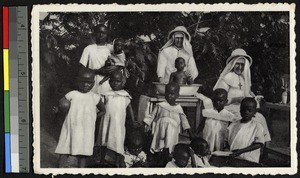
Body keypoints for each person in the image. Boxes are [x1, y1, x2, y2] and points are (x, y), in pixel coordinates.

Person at [213, 48, 271, 143]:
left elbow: (247, 93)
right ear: (232, 64)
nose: (240, 67)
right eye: (237, 64)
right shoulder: (226, 78)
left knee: (260, 118)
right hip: (229, 108)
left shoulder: (244, 79)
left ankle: (261, 145)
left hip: (244, 108)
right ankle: (241, 144)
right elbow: (219, 98)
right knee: (243, 118)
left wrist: (255, 98)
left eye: (242, 65)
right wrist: (236, 100)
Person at [54, 68, 106, 168]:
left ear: (93, 83)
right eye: (83, 82)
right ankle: (60, 169)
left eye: (89, 82)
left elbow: (103, 110)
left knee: (83, 153)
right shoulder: (72, 94)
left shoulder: (95, 97)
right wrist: (57, 109)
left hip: (86, 129)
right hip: (70, 126)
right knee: (65, 148)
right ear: (78, 81)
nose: (86, 85)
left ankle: (81, 171)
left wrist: (94, 117)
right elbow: (61, 105)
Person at [144, 82, 193, 156]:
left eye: (172, 94)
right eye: (167, 93)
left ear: (177, 95)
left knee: (170, 145)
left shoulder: (178, 108)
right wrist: (147, 124)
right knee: (159, 146)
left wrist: (190, 132)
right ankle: (158, 156)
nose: (169, 95)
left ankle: (168, 155)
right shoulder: (160, 105)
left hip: (172, 131)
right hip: (160, 130)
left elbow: (184, 120)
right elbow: (152, 115)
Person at [96, 71, 136, 157]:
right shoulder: (106, 94)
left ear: (122, 82)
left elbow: (130, 109)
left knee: (117, 139)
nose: (115, 83)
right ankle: (102, 158)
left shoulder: (125, 95)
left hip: (118, 122)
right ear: (109, 82)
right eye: (113, 81)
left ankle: (118, 159)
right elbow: (101, 107)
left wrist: (133, 121)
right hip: (106, 120)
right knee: (104, 137)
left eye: (118, 81)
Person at [228, 97, 265, 163]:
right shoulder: (233, 125)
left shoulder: (257, 126)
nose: (246, 112)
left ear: (255, 112)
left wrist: (241, 151)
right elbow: (227, 139)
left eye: (249, 110)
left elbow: (259, 143)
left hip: (249, 159)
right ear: (240, 110)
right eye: (243, 110)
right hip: (234, 157)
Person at [79, 24, 113, 94]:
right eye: (99, 32)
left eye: (103, 33)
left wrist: (115, 68)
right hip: (91, 84)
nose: (101, 35)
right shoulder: (89, 48)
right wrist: (97, 71)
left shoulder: (111, 49)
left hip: (108, 85)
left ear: (107, 35)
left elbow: (121, 64)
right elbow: (82, 69)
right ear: (95, 34)